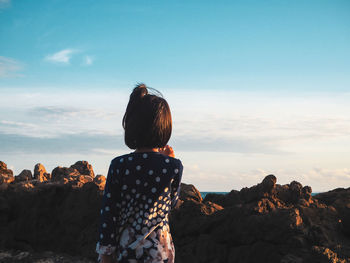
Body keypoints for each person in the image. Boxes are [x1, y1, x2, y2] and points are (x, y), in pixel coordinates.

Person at [96, 83, 183, 263]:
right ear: (164, 128)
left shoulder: (119, 165)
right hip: (160, 251)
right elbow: (172, 203)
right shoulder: (173, 166)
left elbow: (109, 212)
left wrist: (105, 251)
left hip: (126, 249)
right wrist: (167, 159)